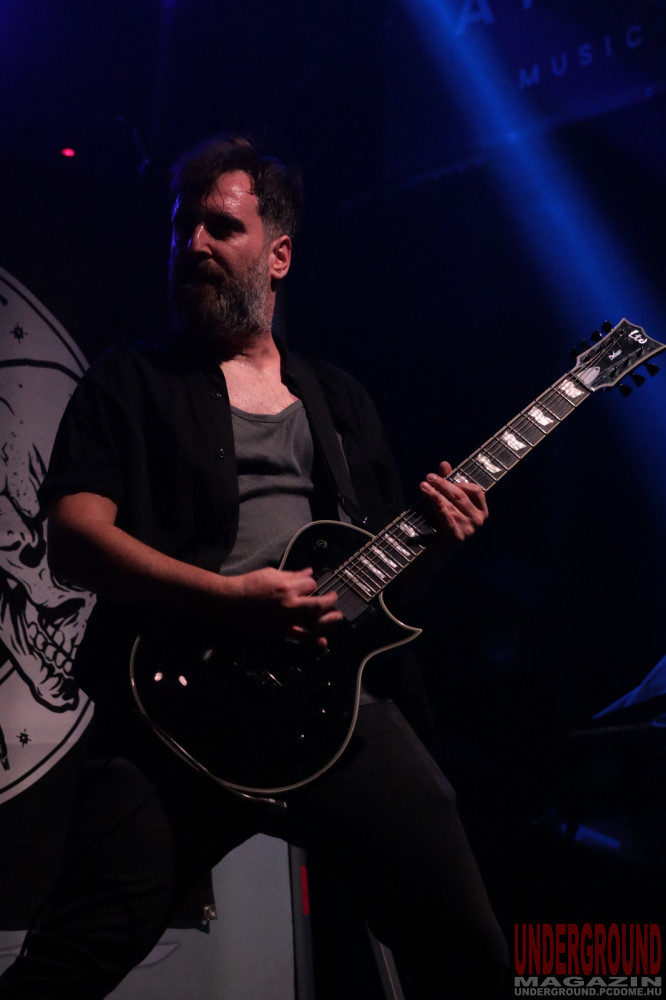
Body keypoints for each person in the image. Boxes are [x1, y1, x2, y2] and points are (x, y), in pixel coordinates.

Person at [0, 135, 509, 999]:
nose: (192, 243)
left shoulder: (339, 399)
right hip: (174, 712)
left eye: (220, 226)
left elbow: (384, 593)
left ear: (278, 255)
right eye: (182, 227)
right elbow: (76, 539)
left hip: (336, 713)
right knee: (67, 964)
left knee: (469, 956)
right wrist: (231, 600)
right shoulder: (129, 380)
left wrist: (442, 541)